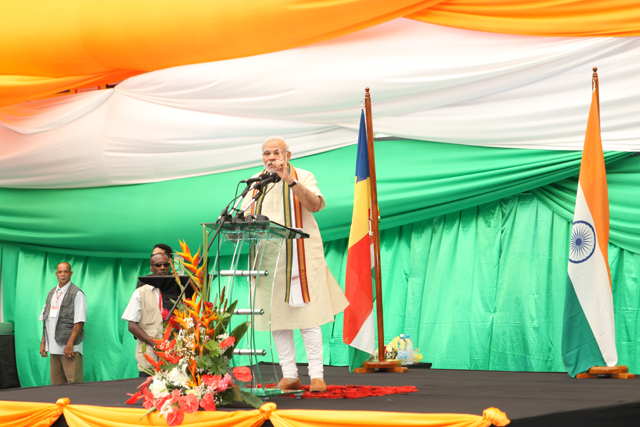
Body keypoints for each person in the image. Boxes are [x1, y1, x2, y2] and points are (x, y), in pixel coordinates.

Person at [242, 136, 349, 393]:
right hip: (269, 258)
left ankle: (317, 376)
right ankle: (290, 375)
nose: (271, 158)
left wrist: (290, 181)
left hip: (301, 255)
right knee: (276, 317)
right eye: (266, 154)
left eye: (276, 153)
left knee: (307, 314)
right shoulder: (257, 182)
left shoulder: (304, 174)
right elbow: (245, 216)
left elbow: (315, 205)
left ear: (288, 155)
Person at [122, 253, 170, 376]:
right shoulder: (140, 293)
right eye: (158, 265)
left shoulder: (177, 292)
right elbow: (132, 326)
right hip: (149, 359)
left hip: (172, 359)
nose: (162, 267)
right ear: (151, 268)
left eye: (165, 264)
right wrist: (154, 344)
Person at [39, 262, 87, 384]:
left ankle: (75, 403)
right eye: (60, 272)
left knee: (73, 383)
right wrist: (43, 342)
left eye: (66, 272)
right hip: (53, 348)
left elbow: (79, 322)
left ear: (71, 273)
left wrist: (70, 344)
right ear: (56, 274)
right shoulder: (51, 293)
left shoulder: (77, 294)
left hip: (69, 348)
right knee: (56, 384)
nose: (63, 274)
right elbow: (46, 319)